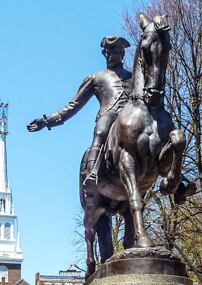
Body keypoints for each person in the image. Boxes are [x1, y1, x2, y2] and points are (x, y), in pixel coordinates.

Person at [27, 36, 132, 183]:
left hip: (131, 119)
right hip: (110, 115)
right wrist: (46, 121)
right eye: (106, 52)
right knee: (101, 131)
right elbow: (73, 106)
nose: (108, 55)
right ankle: (92, 174)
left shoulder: (133, 78)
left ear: (122, 54)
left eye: (113, 51)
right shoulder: (95, 78)